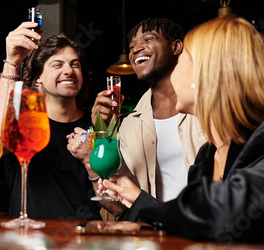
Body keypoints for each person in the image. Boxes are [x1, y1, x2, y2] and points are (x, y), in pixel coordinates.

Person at [101, 15, 264, 242]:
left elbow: (224, 211)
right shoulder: (207, 155)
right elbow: (198, 224)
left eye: (183, 62)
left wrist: (146, 208)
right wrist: (139, 201)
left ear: (207, 74)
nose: (175, 73)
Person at [68, 18, 206, 215]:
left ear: (176, 47)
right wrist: (104, 132)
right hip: (150, 235)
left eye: (148, 40)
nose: (135, 49)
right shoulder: (127, 125)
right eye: (132, 46)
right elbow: (118, 207)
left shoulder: (209, 109)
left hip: (204, 232)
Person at [0, 22, 101, 220]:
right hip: (30, 240)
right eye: (57, 64)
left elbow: (113, 202)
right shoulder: (22, 125)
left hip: (84, 242)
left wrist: (91, 162)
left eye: (75, 64)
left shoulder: (97, 127)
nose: (69, 71)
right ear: (38, 78)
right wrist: (12, 62)